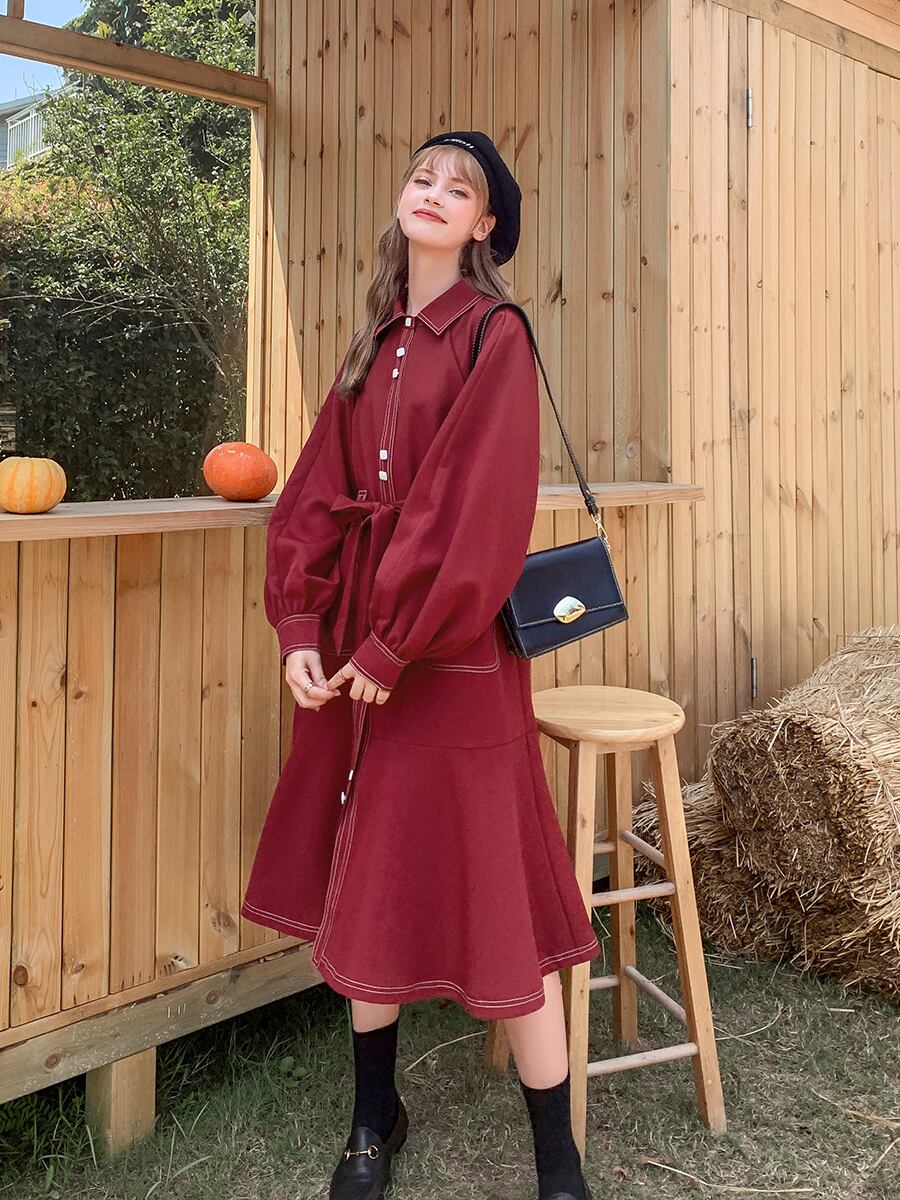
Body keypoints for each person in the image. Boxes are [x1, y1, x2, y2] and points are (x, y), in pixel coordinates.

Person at [240, 130, 600, 1200]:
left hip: (453, 656)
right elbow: (314, 495)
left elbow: (477, 512)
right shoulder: (372, 341)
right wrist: (301, 629)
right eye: (421, 177)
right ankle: (372, 1119)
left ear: (486, 225)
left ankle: (558, 1158)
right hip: (361, 656)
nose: (433, 193)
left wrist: (397, 640)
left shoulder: (495, 333)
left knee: (499, 896)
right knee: (375, 883)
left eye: (459, 188)